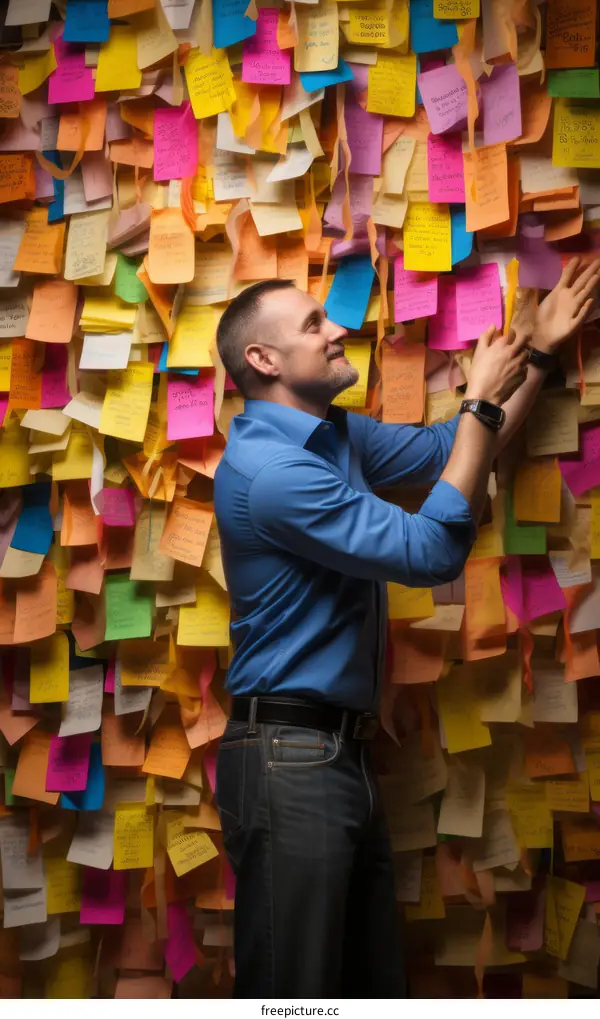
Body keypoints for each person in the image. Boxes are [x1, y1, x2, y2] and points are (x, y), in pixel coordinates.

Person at [213, 259, 600, 1000]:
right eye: (314, 324)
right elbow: (430, 550)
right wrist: (480, 404)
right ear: (263, 361)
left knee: (361, 990)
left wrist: (541, 355)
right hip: (287, 758)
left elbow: (452, 451)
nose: (340, 329)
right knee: (294, 994)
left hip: (334, 753)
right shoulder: (274, 473)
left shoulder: (333, 436)